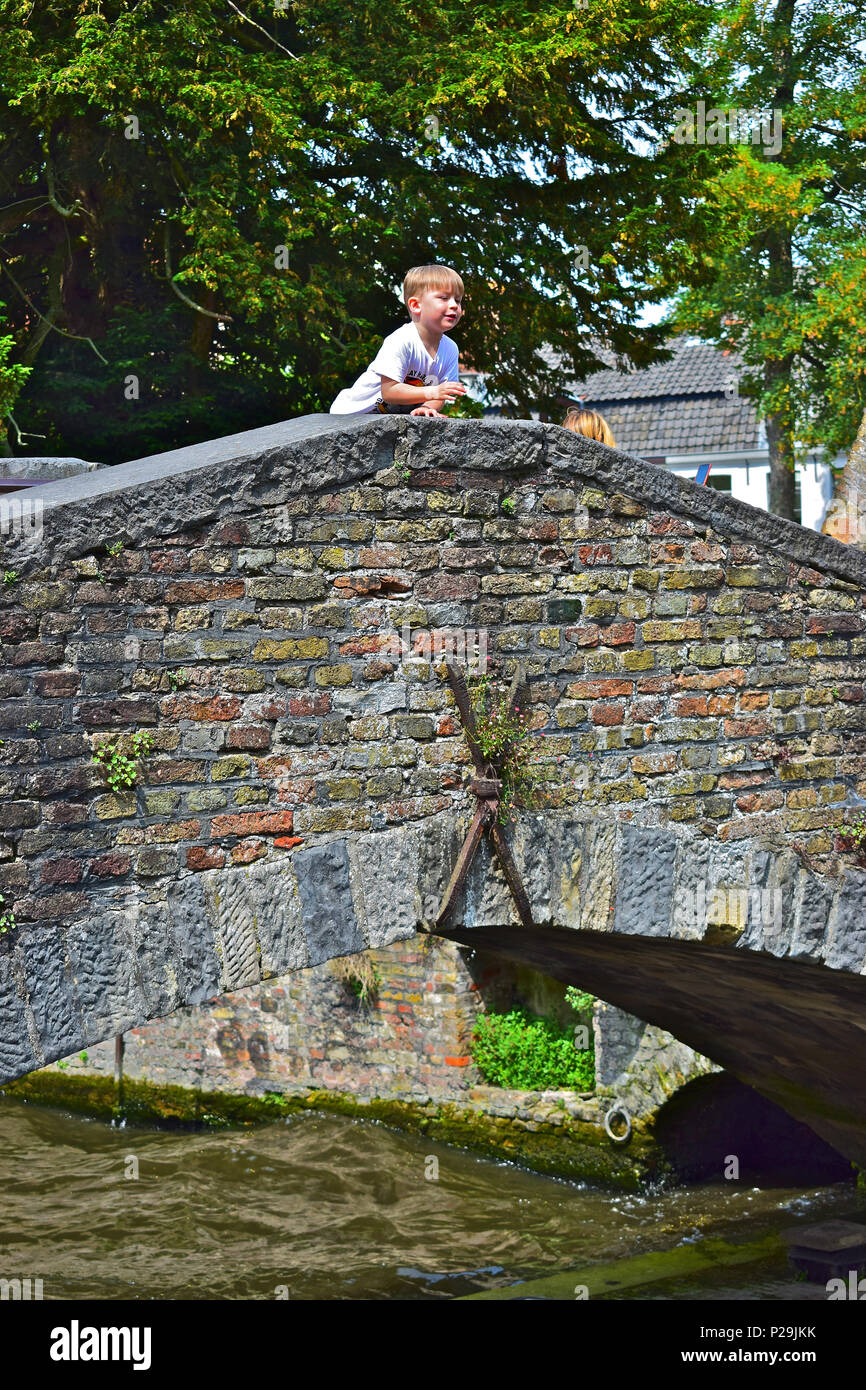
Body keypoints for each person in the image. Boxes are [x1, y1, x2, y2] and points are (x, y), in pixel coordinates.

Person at [330, 265, 467, 418]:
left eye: (458, 300)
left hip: (386, 423)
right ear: (416, 305)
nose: (454, 305)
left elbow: (441, 395)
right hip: (350, 416)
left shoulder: (450, 349)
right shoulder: (402, 340)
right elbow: (389, 391)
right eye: (444, 298)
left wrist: (427, 407)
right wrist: (433, 391)